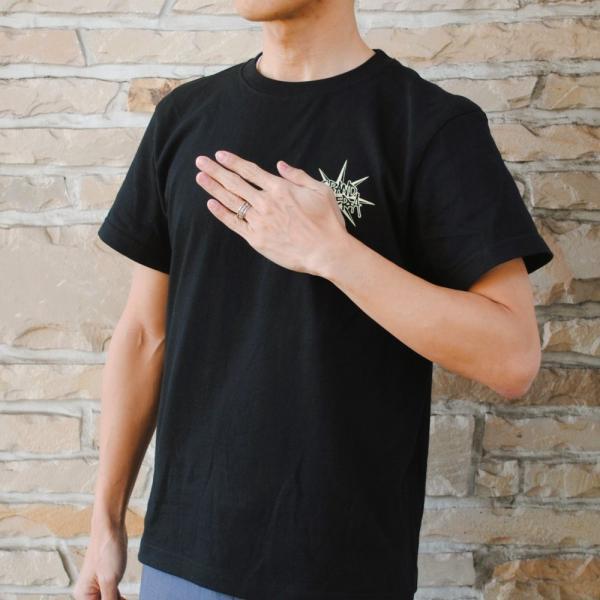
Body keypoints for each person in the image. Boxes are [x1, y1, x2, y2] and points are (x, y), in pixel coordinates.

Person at [74, 1, 554, 599]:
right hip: (185, 560)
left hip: (341, 568)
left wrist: (333, 254)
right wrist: (106, 519)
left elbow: (512, 357)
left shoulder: (431, 125)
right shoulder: (185, 116)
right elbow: (146, 334)